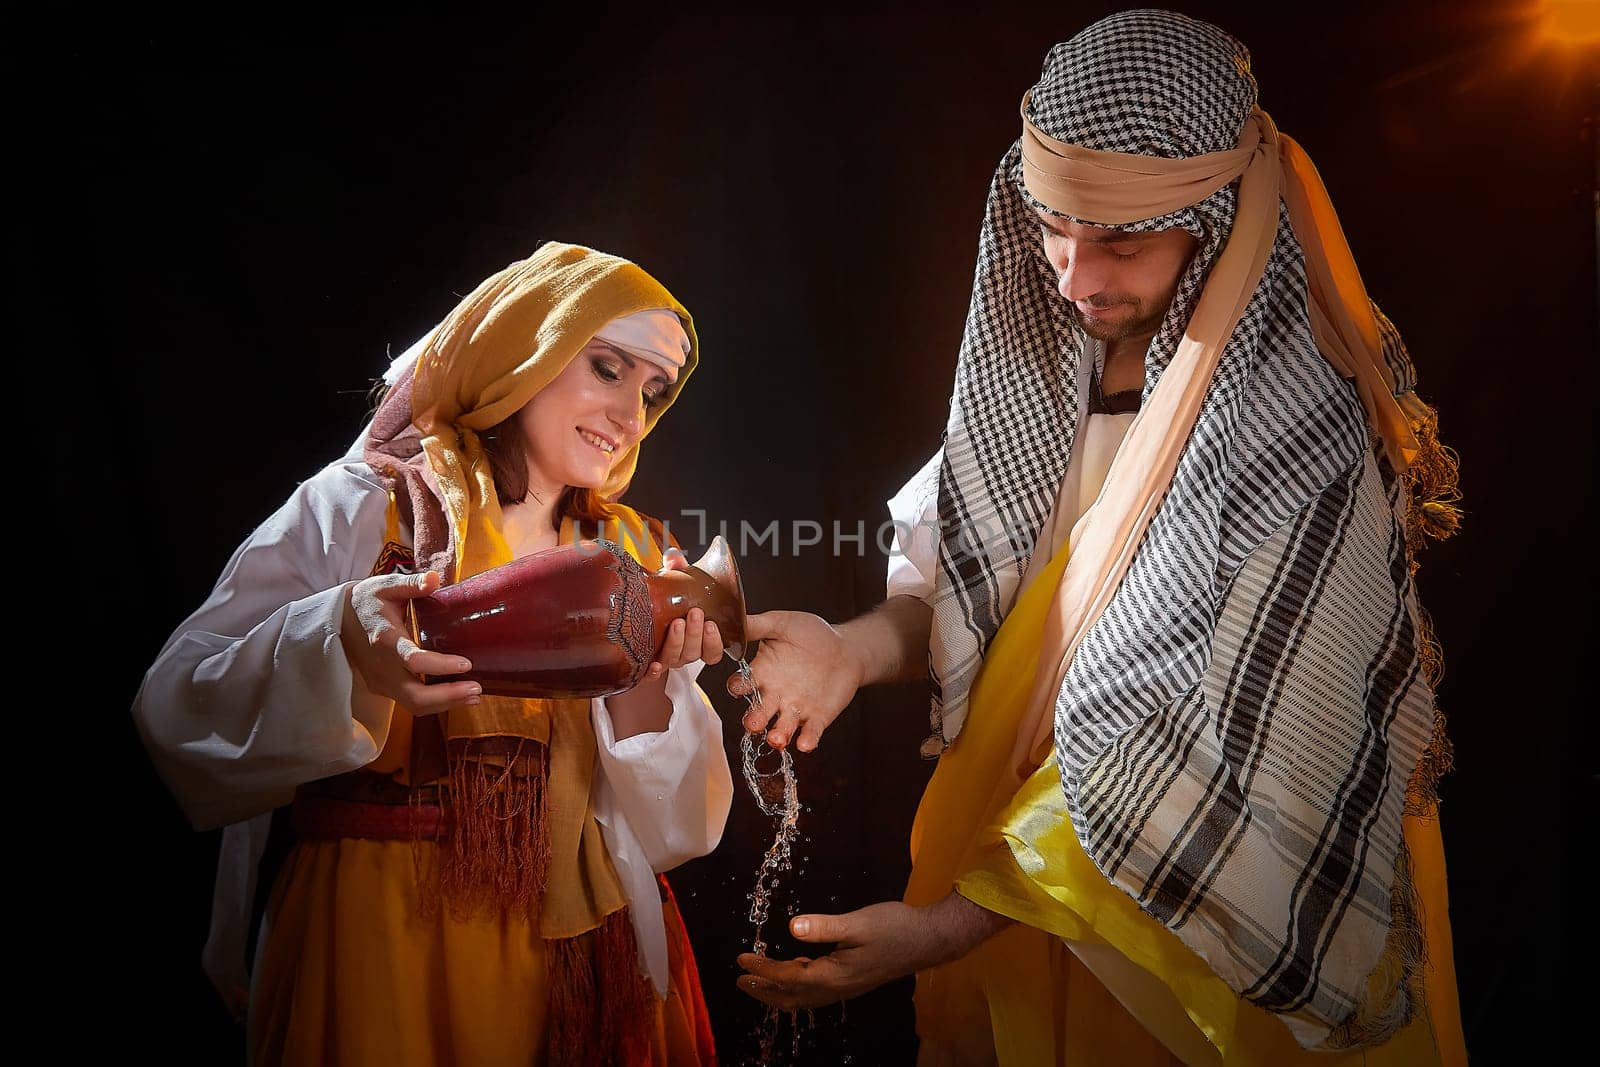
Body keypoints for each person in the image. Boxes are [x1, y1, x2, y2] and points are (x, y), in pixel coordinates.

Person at [732, 10, 1466, 1066]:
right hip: (1014, 883)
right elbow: (956, 596)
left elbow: (1224, 740)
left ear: (1212, 220)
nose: (1076, 278)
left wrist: (944, 926)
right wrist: (847, 649)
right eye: (1054, 230)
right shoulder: (1041, 374)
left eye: (1121, 238)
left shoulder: (1300, 434)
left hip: (1195, 923)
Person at [133, 242, 733, 1065]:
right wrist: (342, 644)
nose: (632, 414)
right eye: (606, 367)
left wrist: (649, 685)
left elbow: (675, 831)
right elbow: (174, 709)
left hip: (586, 955)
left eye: (653, 390)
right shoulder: (364, 508)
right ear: (525, 349)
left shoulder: (635, 550)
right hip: (384, 941)